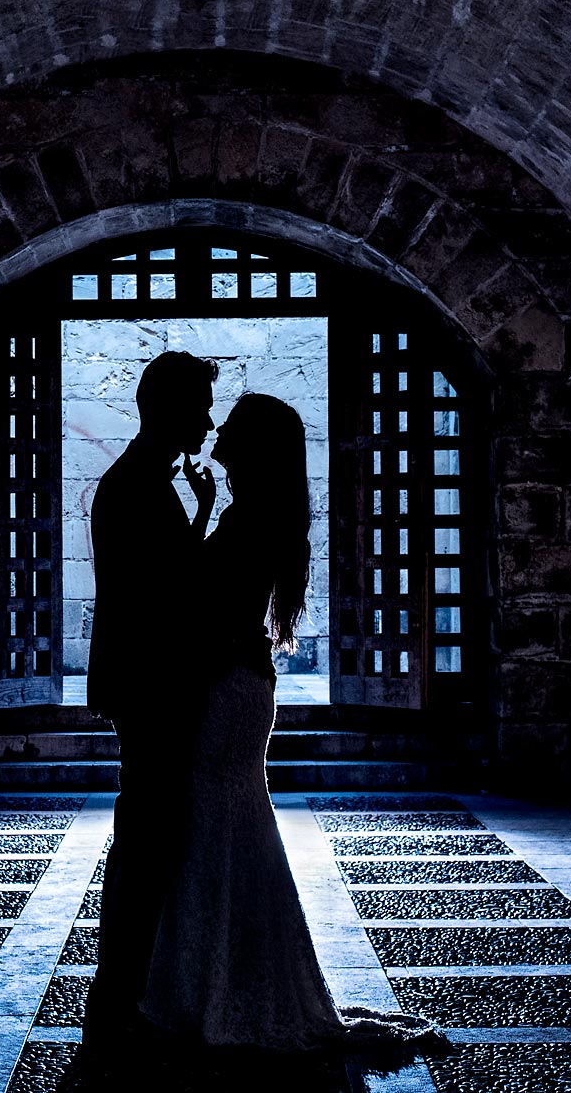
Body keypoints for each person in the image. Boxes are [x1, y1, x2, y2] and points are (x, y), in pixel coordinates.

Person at [137, 392, 438, 1052]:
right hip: (242, 689)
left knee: (216, 832)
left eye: (231, 435)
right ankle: (234, 979)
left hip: (226, 691)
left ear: (253, 450)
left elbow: (205, 606)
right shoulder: (261, 517)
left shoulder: (249, 522)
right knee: (235, 831)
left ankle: (214, 989)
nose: (216, 442)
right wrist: (209, 510)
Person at [82, 349, 218, 1047]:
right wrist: (206, 518)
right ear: (168, 408)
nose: (208, 420)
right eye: (199, 406)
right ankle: (121, 994)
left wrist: (197, 513)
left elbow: (164, 578)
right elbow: (170, 593)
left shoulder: (138, 480)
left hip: (144, 681)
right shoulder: (137, 485)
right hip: (152, 684)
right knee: (146, 836)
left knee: (146, 830)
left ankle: (125, 989)